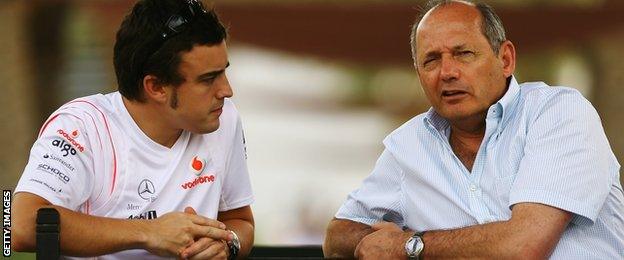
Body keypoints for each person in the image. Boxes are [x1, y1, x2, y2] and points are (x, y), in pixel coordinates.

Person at [324, 0, 624, 259]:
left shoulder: (557, 114)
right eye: (431, 60)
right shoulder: (409, 145)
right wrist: (381, 243)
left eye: (463, 54)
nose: (447, 72)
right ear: (419, 74)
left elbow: (523, 247)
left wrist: (410, 245)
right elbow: (337, 235)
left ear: (505, 59)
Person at [12, 0, 254, 259]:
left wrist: (229, 244)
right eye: (208, 79)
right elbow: (18, 227)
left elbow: (241, 222)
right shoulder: (81, 127)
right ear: (156, 87)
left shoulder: (223, 117)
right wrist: (149, 233)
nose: (227, 91)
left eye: (223, 73)